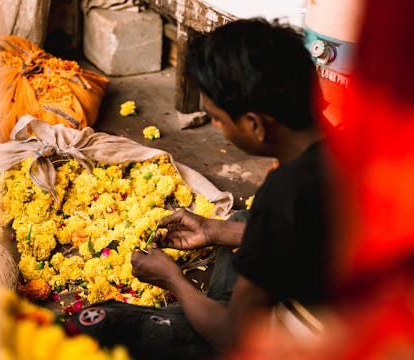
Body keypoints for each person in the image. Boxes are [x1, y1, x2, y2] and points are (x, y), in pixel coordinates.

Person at [131, 17, 330, 354]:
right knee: (237, 224)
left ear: (254, 124)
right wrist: (212, 230)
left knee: (104, 322)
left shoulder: (284, 192)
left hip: (319, 341)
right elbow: (306, 233)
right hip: (337, 290)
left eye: (220, 119)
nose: (220, 129)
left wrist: (171, 279)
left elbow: (235, 336)